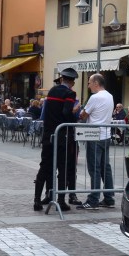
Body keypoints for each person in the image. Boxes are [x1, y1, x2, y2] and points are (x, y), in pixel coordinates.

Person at [34, 68, 80, 211]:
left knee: (45, 168)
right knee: (62, 168)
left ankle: (36, 200)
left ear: (61, 79)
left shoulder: (52, 91)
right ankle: (60, 200)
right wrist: (74, 115)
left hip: (48, 136)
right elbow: (66, 112)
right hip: (62, 137)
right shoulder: (70, 93)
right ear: (71, 82)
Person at [78, 73, 115, 210]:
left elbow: (83, 114)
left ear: (96, 83)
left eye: (89, 83)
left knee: (95, 168)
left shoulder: (95, 97)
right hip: (106, 135)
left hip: (94, 136)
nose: (88, 86)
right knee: (106, 168)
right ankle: (109, 198)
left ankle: (93, 199)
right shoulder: (109, 96)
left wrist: (79, 110)